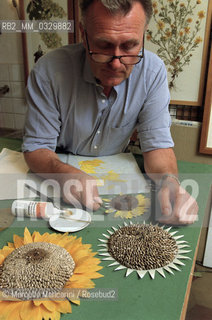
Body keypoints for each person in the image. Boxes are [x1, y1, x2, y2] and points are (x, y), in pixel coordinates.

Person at [22, 0, 198, 224]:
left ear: (143, 36)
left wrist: (170, 182)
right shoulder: (48, 71)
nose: (116, 63)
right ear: (83, 34)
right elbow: (36, 147)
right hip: (54, 180)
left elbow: (158, 147)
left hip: (116, 185)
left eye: (130, 46)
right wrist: (62, 173)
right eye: (104, 45)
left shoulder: (153, 73)